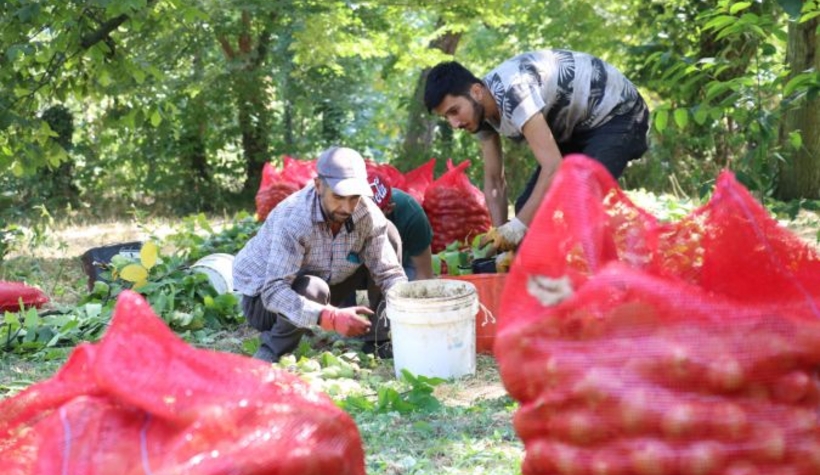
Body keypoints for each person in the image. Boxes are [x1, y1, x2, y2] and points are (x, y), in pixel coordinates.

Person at [424, 49, 649, 252]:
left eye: (455, 111)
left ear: (476, 91)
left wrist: (517, 227)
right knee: (528, 210)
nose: (454, 123)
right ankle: (554, 279)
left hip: (619, 114)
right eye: (447, 117)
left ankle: (610, 277)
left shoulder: (514, 91)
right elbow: (494, 182)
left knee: (580, 197)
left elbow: (553, 166)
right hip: (575, 131)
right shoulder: (479, 115)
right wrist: (500, 237)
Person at [233, 146, 407, 363]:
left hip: (327, 282)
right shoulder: (294, 218)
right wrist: (330, 317)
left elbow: (389, 273)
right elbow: (273, 291)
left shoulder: (366, 213)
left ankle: (378, 341)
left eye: (354, 197)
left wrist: (410, 302)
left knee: (389, 233)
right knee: (313, 288)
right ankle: (271, 351)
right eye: (338, 197)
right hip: (266, 302)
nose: (347, 208)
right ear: (318, 186)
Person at [368, 171, 434, 281]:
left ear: (389, 209)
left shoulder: (411, 214)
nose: (363, 219)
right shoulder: (343, 210)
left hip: (402, 264)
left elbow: (424, 274)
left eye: (370, 215)